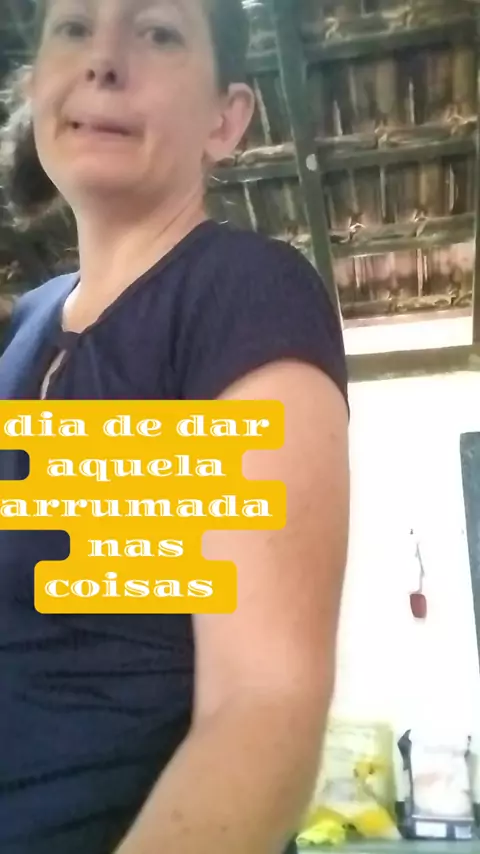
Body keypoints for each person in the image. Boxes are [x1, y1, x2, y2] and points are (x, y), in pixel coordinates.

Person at [0, 1, 350, 852]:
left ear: (225, 120)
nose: (104, 59)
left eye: (157, 32)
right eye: (73, 28)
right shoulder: (23, 326)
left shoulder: (232, 296)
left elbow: (258, 704)